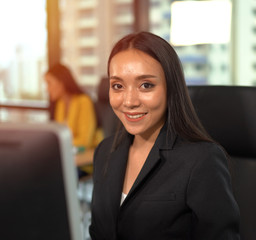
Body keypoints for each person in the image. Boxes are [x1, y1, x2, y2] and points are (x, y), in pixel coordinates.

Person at [89, 32, 240, 240]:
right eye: (118, 86)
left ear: (171, 88)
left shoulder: (202, 160)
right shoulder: (104, 152)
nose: (129, 101)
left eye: (146, 85)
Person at [45, 63, 100, 149]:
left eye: (49, 83)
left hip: (88, 156)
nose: (47, 89)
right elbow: (60, 135)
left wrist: (58, 143)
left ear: (61, 82)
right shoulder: (60, 103)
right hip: (71, 153)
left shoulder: (84, 101)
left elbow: (85, 141)